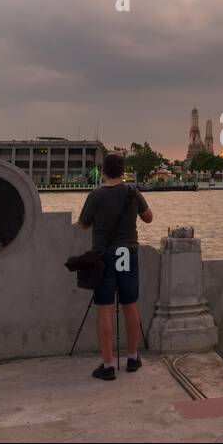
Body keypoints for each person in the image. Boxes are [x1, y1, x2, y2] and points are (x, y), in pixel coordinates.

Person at [78, 153, 153, 381]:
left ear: (103, 171)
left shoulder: (95, 195)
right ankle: (132, 357)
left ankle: (108, 365)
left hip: (103, 256)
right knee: (130, 305)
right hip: (127, 253)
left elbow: (83, 224)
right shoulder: (132, 193)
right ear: (123, 172)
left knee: (105, 309)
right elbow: (148, 218)